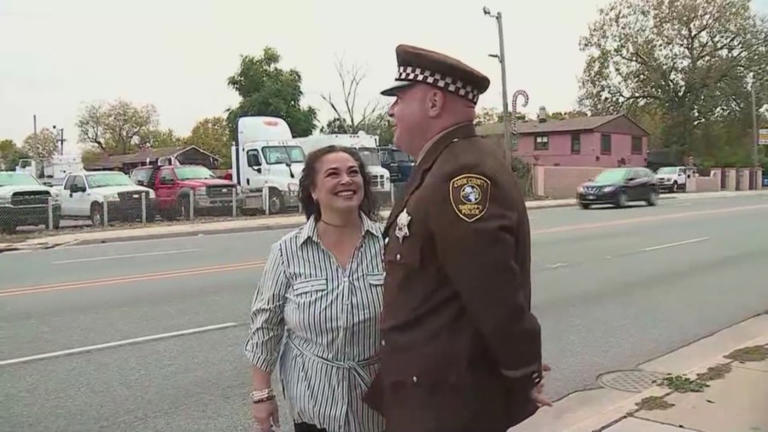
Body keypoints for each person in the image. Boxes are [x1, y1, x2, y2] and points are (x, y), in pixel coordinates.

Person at [363, 44, 550, 431]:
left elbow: (495, 293)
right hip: (430, 396)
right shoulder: (443, 164)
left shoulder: (462, 175)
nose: (391, 110)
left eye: (399, 98)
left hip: (446, 408)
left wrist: (522, 371)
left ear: (434, 102)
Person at [244, 145, 386, 432]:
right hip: (314, 401)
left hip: (379, 403)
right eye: (333, 174)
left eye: (353, 172)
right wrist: (262, 395)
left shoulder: (389, 244)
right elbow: (266, 326)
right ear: (313, 190)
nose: (346, 180)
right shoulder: (287, 252)